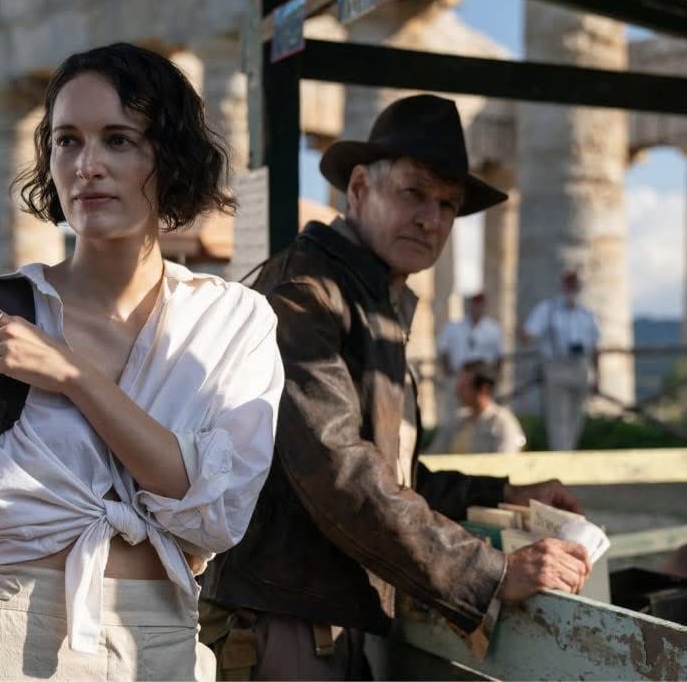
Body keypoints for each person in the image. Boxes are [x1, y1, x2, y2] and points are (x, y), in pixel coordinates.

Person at [0, 43, 283, 681]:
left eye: (120, 139)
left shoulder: (233, 321)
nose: (87, 165)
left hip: (159, 645)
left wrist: (71, 376)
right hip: (3, 642)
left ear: (171, 156)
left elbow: (216, 513)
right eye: (67, 141)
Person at [199, 94, 591, 680]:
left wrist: (505, 490)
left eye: (447, 204)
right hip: (282, 621)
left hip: (327, 619)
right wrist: (490, 573)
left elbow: (393, 474)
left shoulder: (372, 300)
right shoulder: (305, 294)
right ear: (358, 188)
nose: (431, 218)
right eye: (414, 193)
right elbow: (340, 472)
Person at [523, 270, 600, 451]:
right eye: (570, 285)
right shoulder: (548, 309)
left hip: (580, 367)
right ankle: (560, 456)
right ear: (563, 287)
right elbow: (527, 333)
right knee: (558, 418)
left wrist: (597, 377)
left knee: (576, 418)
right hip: (556, 366)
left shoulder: (586, 314)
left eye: (576, 286)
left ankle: (570, 453)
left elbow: (595, 348)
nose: (573, 289)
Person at [426, 360, 526, 455]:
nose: (458, 392)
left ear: (484, 388)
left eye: (464, 387)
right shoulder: (457, 421)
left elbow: (506, 460)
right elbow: (434, 455)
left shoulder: (501, 422)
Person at [437, 292, 503, 422]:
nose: (477, 309)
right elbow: (443, 351)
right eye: (475, 305)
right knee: (456, 414)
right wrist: (448, 373)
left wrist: (494, 376)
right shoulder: (453, 327)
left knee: (483, 414)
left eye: (480, 306)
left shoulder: (493, 328)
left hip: (482, 379)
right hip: (459, 375)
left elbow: (499, 356)